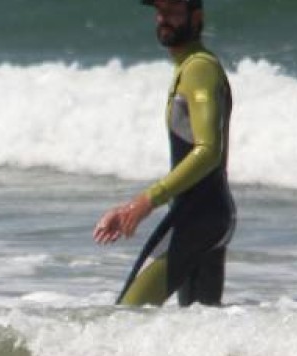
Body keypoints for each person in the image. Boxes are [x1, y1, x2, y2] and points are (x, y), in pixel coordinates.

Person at [94, 0, 236, 307]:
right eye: (160, 12)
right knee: (198, 333)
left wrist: (146, 202)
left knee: (126, 317)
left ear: (196, 17)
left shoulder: (199, 68)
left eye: (173, 12)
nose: (163, 19)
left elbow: (209, 150)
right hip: (208, 216)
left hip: (198, 217)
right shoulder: (189, 67)